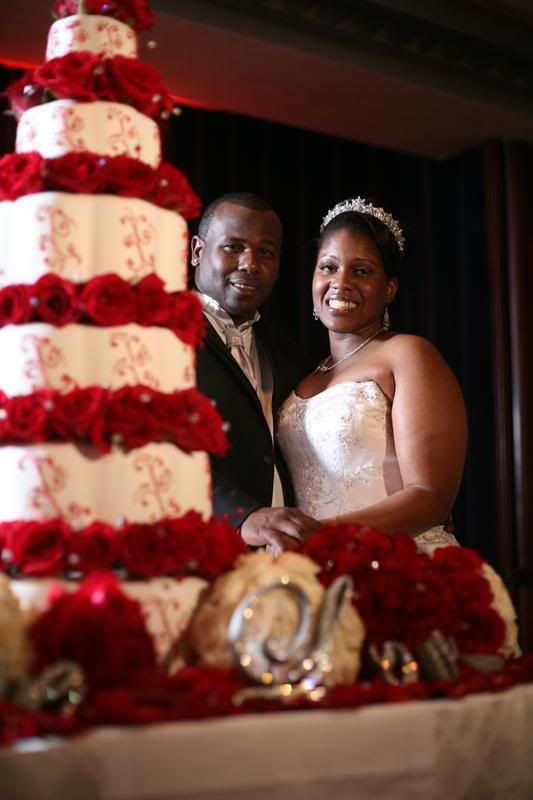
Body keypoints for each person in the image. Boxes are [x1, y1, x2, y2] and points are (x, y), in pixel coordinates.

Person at [277, 197, 467, 552]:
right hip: (319, 565)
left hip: (398, 558)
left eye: (361, 271)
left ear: (389, 289)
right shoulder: (303, 374)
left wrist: (319, 534)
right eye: (328, 267)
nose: (340, 282)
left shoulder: (408, 354)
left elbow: (430, 497)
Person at [191, 192, 317, 552]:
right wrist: (240, 516)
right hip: (204, 548)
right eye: (233, 247)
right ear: (197, 251)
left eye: (266, 252)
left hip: (286, 555)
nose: (250, 264)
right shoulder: (160, 338)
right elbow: (153, 449)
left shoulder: (290, 357)